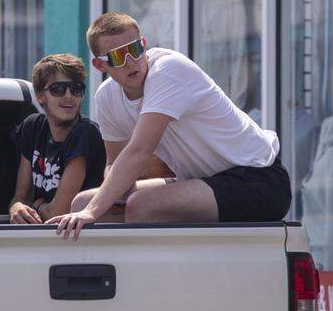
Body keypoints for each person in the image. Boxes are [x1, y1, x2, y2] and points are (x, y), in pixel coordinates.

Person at [49, 12, 288, 240]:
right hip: (199, 181)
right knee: (81, 202)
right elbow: (115, 162)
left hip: (258, 180)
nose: (131, 61)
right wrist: (107, 197)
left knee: (140, 206)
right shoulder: (106, 97)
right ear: (101, 65)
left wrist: (94, 211)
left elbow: (139, 152)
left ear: (144, 44)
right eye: (118, 56)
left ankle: (148, 280)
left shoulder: (169, 70)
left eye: (135, 49)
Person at [8, 54, 106, 223]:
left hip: (83, 240)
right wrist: (16, 208)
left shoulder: (85, 133)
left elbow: (58, 212)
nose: (68, 96)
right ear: (40, 96)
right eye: (58, 89)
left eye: (76, 89)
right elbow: (21, 195)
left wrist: (36, 206)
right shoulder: (32, 127)